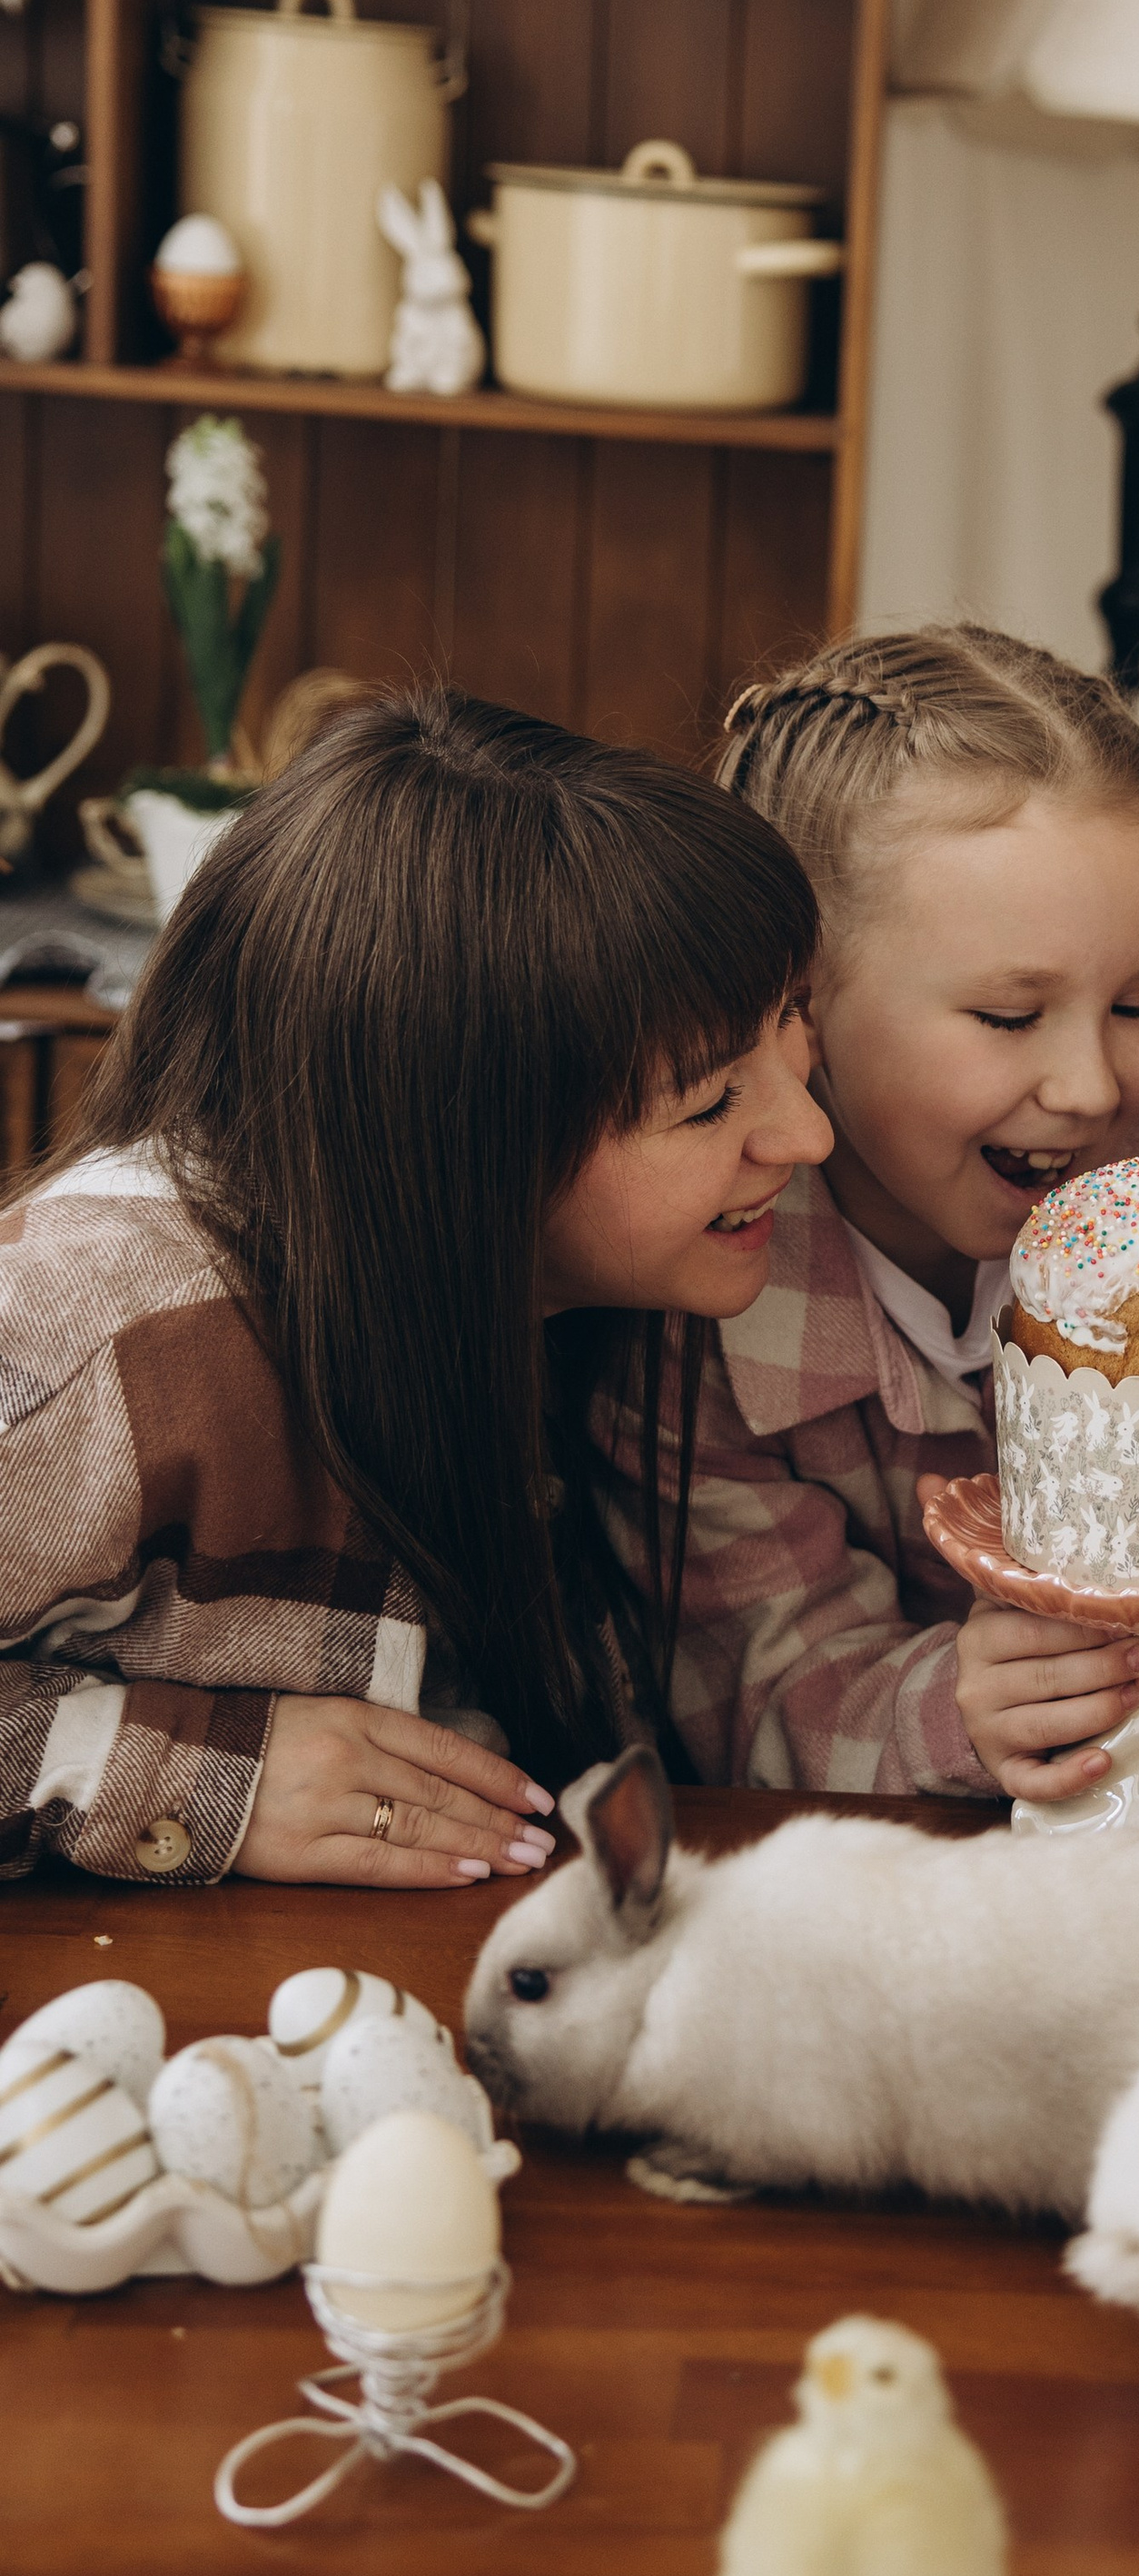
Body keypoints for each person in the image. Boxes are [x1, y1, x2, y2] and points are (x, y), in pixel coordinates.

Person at [0, 689, 828, 1891]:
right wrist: (209, 1782)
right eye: (709, 1103)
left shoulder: (587, 1300)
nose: (806, 1133)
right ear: (458, 1144)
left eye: (794, 1026)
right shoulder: (96, 1328)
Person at [639, 626, 1139, 1821]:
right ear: (802, 1005)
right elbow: (742, 1691)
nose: (1092, 1085)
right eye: (1011, 1015)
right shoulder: (705, 1263)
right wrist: (958, 1707)